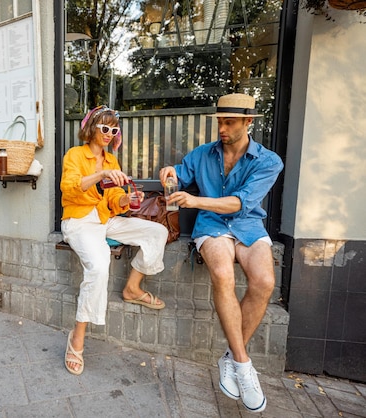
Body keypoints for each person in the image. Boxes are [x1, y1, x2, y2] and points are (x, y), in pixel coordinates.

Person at [159, 93, 283, 413]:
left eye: (229, 122)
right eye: (220, 122)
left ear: (248, 122)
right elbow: (179, 175)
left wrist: (195, 201)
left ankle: (229, 356)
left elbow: (241, 203)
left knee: (264, 282)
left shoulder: (269, 161)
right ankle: (242, 365)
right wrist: (169, 174)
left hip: (248, 225)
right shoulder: (203, 154)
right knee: (223, 274)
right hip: (211, 227)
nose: (222, 128)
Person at [60, 105, 169, 375]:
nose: (110, 134)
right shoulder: (75, 155)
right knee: (98, 267)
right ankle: (78, 336)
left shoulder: (112, 162)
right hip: (78, 221)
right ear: (91, 128)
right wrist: (100, 175)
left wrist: (127, 199)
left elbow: (114, 200)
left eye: (114, 130)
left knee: (158, 232)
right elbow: (70, 188)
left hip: (104, 219)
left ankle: (132, 288)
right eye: (105, 128)